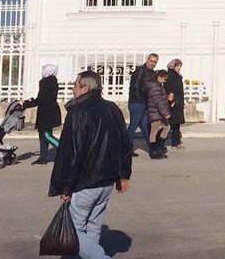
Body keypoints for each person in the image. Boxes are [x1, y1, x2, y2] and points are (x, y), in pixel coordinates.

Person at [49, 70, 132, 259]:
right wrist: (123, 175)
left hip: (85, 182)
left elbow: (73, 153)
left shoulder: (78, 112)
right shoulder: (113, 109)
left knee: (73, 232)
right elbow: (125, 143)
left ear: (85, 88)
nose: (72, 88)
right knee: (93, 228)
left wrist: (66, 187)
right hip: (106, 181)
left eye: (75, 85)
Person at [22, 63, 62, 165]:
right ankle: (43, 158)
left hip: (47, 112)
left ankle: (64, 150)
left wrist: (26, 104)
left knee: (46, 135)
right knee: (43, 135)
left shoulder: (46, 82)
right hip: (51, 110)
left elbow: (41, 99)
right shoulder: (53, 81)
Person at [126, 53, 158, 154]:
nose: (152, 63)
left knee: (144, 127)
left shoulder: (151, 72)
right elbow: (135, 87)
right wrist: (140, 99)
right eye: (151, 61)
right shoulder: (141, 71)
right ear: (147, 59)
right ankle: (126, 149)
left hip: (143, 103)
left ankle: (152, 148)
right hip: (137, 103)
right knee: (133, 127)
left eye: (155, 62)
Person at [145, 69, 171, 160]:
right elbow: (158, 102)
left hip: (159, 112)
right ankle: (154, 151)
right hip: (156, 112)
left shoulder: (158, 86)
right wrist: (165, 113)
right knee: (154, 131)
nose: (165, 81)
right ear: (159, 77)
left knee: (166, 127)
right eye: (164, 79)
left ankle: (159, 148)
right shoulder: (155, 87)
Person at [163, 59, 185, 149]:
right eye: (177, 66)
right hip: (173, 102)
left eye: (180, 66)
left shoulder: (177, 76)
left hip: (178, 102)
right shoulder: (170, 76)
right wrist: (172, 101)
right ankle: (164, 142)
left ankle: (176, 142)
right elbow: (169, 89)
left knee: (177, 123)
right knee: (172, 124)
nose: (179, 68)